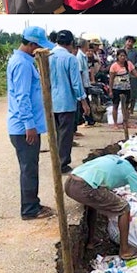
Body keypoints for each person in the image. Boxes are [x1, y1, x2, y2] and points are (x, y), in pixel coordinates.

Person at [65, 153, 137, 252]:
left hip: (69, 184)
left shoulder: (113, 159)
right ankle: (125, 250)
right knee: (124, 208)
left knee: (93, 205)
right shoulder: (131, 171)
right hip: (84, 187)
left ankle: (91, 241)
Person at [7, 26, 54, 221]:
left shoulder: (22, 61)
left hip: (25, 126)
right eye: (39, 47)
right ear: (32, 44)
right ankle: (29, 209)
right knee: (29, 169)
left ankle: (33, 203)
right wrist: (29, 125)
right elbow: (22, 97)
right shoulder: (23, 65)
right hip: (24, 128)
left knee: (31, 167)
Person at [49, 30, 90, 172]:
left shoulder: (47, 56)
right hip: (66, 101)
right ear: (71, 43)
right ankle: (62, 163)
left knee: (55, 133)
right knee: (65, 134)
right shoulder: (70, 59)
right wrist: (84, 102)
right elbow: (76, 83)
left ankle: (55, 161)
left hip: (51, 102)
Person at [108, 48, 130, 129]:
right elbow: (111, 79)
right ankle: (115, 123)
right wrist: (110, 90)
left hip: (127, 88)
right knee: (115, 106)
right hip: (116, 88)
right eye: (121, 56)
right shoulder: (114, 66)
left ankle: (126, 122)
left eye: (124, 56)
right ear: (117, 56)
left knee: (126, 106)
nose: (123, 58)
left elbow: (135, 73)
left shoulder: (128, 64)